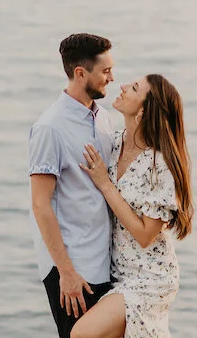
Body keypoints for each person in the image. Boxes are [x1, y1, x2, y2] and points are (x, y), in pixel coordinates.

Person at [72, 74, 194, 338]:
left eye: (134, 88)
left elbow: (144, 235)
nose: (123, 86)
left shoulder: (160, 165)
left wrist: (106, 184)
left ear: (144, 110)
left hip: (150, 278)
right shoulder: (113, 144)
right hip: (115, 271)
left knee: (82, 334)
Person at [29, 33, 117, 338]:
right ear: (81, 73)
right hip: (73, 267)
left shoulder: (104, 119)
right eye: (105, 71)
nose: (112, 78)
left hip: (105, 261)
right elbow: (40, 205)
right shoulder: (49, 127)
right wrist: (65, 272)